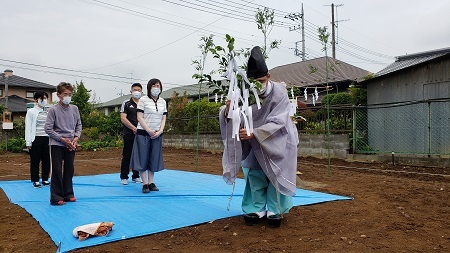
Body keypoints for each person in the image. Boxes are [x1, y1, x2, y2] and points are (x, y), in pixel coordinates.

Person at [219, 46, 299, 228]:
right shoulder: (242, 91)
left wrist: (255, 132)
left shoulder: (279, 92)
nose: (257, 85)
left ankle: (275, 208)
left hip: (278, 139)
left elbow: (279, 120)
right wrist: (228, 110)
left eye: (261, 81)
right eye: (254, 82)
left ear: (269, 76)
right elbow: (232, 114)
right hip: (252, 141)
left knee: (275, 173)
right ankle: (254, 207)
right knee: (255, 173)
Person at [45, 82, 82, 206]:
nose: (68, 96)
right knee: (56, 169)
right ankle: (56, 197)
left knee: (69, 169)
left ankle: (68, 193)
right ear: (59, 95)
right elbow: (48, 129)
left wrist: (76, 137)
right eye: (65, 94)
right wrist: (61, 139)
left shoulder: (75, 108)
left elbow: (79, 125)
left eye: (70, 94)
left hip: (71, 143)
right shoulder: (53, 110)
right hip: (57, 144)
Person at [130, 78, 167, 193]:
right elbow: (140, 117)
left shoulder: (163, 102)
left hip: (157, 134)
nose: (156, 88)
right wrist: (148, 130)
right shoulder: (143, 100)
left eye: (158, 86)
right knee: (142, 158)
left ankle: (151, 182)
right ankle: (145, 183)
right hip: (143, 133)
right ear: (149, 88)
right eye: (154, 86)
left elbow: (164, 117)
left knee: (153, 158)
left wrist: (160, 130)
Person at [25, 91, 51, 188]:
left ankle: (45, 179)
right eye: (42, 98)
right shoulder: (31, 111)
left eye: (45, 98)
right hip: (36, 138)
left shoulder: (48, 111)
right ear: (36, 99)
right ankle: (35, 180)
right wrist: (28, 142)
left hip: (47, 138)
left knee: (46, 160)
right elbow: (28, 127)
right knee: (35, 160)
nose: (44, 100)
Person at [119, 83, 143, 185]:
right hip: (129, 133)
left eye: (138, 90)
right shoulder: (126, 103)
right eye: (135, 90)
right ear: (131, 91)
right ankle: (124, 176)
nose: (137, 91)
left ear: (141, 92)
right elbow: (123, 118)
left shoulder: (143, 103)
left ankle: (136, 175)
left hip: (141, 133)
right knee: (127, 155)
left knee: (138, 156)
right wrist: (133, 128)